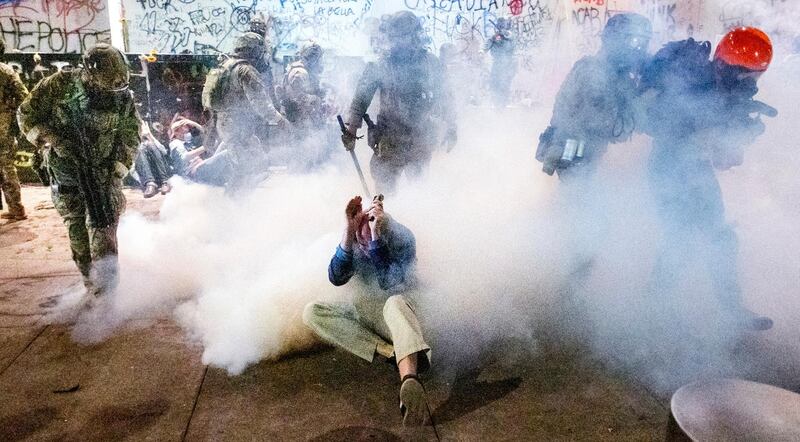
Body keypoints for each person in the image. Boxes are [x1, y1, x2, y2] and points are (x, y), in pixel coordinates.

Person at [640, 28, 776, 330]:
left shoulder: (725, 92)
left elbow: (724, 158)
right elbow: (674, 130)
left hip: (696, 170)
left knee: (722, 239)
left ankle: (732, 311)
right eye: (749, 77)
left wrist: (741, 134)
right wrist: (727, 130)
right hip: (668, 169)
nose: (752, 86)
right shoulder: (688, 85)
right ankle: (652, 310)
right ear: (731, 69)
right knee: (680, 239)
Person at [18, 43, 141, 299]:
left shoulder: (121, 95)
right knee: (78, 238)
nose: (112, 90)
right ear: (89, 72)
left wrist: (118, 167)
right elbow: (25, 116)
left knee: (103, 233)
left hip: (104, 175)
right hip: (66, 174)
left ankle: (106, 298)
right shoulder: (58, 85)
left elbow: (131, 133)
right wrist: (54, 140)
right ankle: (89, 283)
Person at [303, 195, 431, 426]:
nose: (363, 245)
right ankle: (395, 353)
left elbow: (390, 282)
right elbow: (336, 277)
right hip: (373, 314)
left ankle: (409, 379)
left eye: (366, 238)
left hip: (408, 313)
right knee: (313, 312)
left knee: (394, 303)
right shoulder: (355, 241)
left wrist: (377, 240)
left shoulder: (402, 237)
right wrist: (347, 230)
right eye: (360, 240)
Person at [342, 11, 456, 194]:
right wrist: (352, 128)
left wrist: (451, 126)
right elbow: (361, 97)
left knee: (419, 192)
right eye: (395, 36)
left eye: (404, 36)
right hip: (389, 138)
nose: (399, 42)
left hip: (420, 139)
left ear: (415, 35)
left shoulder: (430, 63)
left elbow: (446, 96)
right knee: (384, 196)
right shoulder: (381, 64)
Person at [536, 12, 652, 180]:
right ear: (614, 39)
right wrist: (643, 101)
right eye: (633, 41)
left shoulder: (618, 76)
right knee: (577, 197)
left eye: (643, 43)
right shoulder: (593, 71)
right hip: (577, 155)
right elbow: (606, 125)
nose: (639, 50)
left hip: (589, 153)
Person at [200, 32, 287, 187]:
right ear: (254, 51)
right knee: (245, 171)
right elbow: (261, 104)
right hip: (238, 126)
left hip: (225, 123)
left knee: (252, 163)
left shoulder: (223, 67)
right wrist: (279, 120)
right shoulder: (245, 71)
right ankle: (234, 205)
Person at [0, 39, 30, 221]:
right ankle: (16, 208)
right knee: (7, 166)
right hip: (3, 124)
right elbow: (24, 97)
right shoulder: (6, 71)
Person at [134, 123, 172, 198]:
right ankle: (151, 183)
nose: (158, 132)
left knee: (151, 145)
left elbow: (164, 151)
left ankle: (165, 182)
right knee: (140, 148)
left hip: (164, 174)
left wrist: (149, 136)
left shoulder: (162, 141)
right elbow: (133, 170)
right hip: (148, 178)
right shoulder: (139, 148)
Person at [485, 17, 516, 108]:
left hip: (507, 65)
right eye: (500, 24)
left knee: (505, 85)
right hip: (497, 65)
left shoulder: (510, 36)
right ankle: (497, 104)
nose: (501, 26)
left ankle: (502, 105)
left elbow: (511, 42)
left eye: (503, 24)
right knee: (495, 85)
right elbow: (490, 45)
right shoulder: (495, 36)